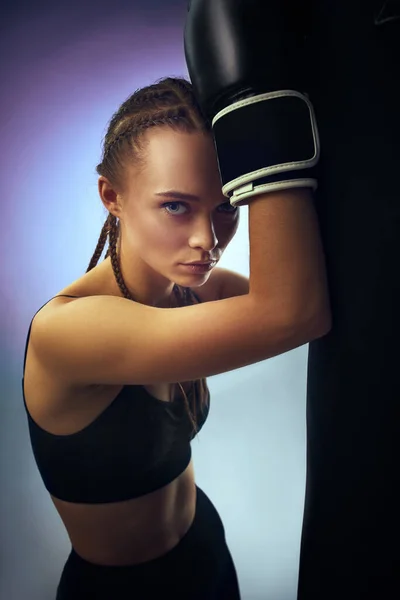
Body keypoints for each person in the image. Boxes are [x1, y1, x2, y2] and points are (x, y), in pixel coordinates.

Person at [22, 5, 331, 600]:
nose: (206, 240)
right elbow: (294, 311)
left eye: (225, 208)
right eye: (175, 206)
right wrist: (264, 112)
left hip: (207, 555)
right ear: (112, 196)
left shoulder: (194, 293)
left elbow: (320, 293)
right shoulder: (71, 331)